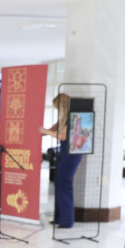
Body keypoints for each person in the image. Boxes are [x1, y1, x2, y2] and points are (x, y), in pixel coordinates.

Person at [39, 93, 81, 228]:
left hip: (72, 154)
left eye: (58, 107)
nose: (57, 110)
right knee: (59, 183)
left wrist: (44, 130)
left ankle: (67, 220)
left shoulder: (73, 118)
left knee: (64, 184)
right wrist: (39, 131)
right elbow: (51, 130)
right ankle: (59, 217)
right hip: (65, 153)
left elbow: (62, 136)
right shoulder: (63, 119)